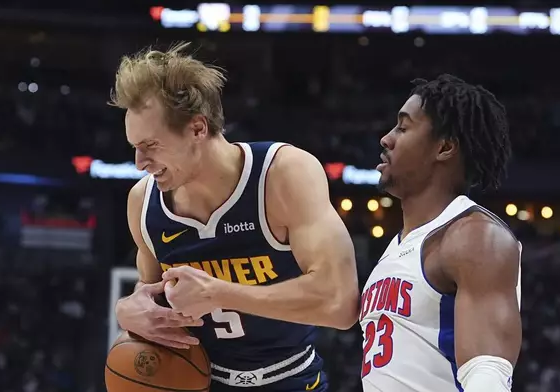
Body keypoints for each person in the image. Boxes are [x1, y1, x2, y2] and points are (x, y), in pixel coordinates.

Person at [111, 42, 359, 392]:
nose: (139, 162)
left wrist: (220, 293)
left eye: (150, 145)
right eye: (134, 147)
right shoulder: (143, 201)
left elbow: (340, 303)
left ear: (198, 129)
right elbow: (152, 300)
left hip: (289, 379)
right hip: (202, 381)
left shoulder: (282, 174)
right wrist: (130, 312)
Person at [360, 74, 522, 392]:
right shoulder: (399, 244)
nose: (386, 139)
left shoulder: (475, 237)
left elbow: (487, 373)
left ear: (445, 147)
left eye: (403, 128)